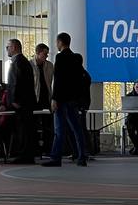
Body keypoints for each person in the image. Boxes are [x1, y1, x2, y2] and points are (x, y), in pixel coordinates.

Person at [43, 32, 87, 167]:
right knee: (77, 129)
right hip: (73, 99)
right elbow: (81, 79)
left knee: (59, 130)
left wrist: (54, 98)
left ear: (60, 42)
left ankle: (56, 157)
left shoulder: (60, 57)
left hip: (61, 99)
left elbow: (58, 80)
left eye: (57, 42)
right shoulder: (77, 58)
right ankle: (82, 157)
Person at [5, 38, 37, 164]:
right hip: (26, 102)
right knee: (26, 128)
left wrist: (14, 99)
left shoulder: (18, 62)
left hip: (21, 103)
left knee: (23, 129)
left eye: (8, 47)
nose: (6, 49)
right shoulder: (23, 62)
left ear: (14, 47)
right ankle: (27, 154)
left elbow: (16, 83)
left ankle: (24, 155)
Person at [33, 42, 54, 157]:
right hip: (35, 99)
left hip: (47, 99)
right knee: (35, 125)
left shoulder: (50, 66)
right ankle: (36, 149)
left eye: (47, 54)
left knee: (48, 126)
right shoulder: (30, 65)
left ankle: (48, 149)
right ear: (37, 53)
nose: (46, 56)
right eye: (44, 54)